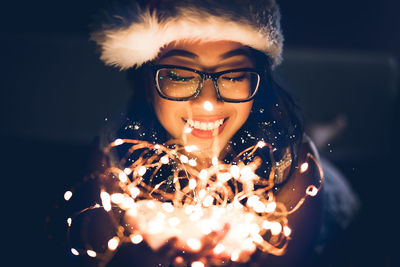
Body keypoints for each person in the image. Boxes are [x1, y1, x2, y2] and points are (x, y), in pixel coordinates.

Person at [65, 0, 357, 266]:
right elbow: (98, 249)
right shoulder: (116, 152)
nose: (208, 102)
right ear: (146, 82)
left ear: (260, 82)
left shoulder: (292, 159)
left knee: (311, 145)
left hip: (310, 169)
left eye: (232, 75)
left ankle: (324, 132)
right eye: (180, 75)